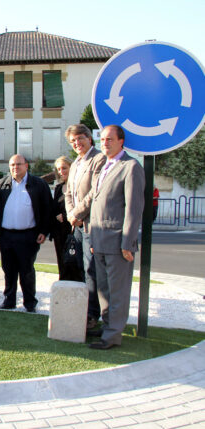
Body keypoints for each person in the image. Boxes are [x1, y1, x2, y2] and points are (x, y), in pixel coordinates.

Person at [88, 125, 145, 350]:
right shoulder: (104, 165)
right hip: (100, 240)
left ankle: (112, 336)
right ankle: (108, 326)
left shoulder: (130, 167)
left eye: (110, 139)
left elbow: (133, 208)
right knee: (104, 290)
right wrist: (92, 240)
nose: (105, 143)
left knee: (118, 291)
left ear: (121, 141)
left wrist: (128, 242)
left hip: (118, 243)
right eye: (102, 139)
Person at [0, 154, 51, 312]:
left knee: (27, 271)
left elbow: (47, 209)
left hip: (28, 236)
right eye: (12, 165)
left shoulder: (38, 184)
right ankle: (9, 300)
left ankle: (30, 302)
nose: (15, 168)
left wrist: (44, 231)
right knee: (8, 270)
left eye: (18, 164)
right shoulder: (2, 184)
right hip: (6, 236)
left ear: (27, 166)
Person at [64, 124, 107, 330]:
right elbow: (68, 193)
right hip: (77, 225)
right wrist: (71, 214)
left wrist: (78, 214)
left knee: (92, 271)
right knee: (80, 268)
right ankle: (84, 309)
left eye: (80, 138)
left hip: (91, 225)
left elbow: (95, 192)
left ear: (90, 138)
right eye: (73, 141)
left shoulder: (99, 159)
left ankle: (92, 314)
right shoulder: (76, 163)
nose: (77, 143)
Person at [50, 156, 83, 281]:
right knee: (63, 263)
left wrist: (64, 215)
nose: (61, 171)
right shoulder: (59, 188)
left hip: (74, 230)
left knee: (76, 263)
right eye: (58, 169)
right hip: (60, 233)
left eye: (64, 168)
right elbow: (54, 208)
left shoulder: (77, 186)